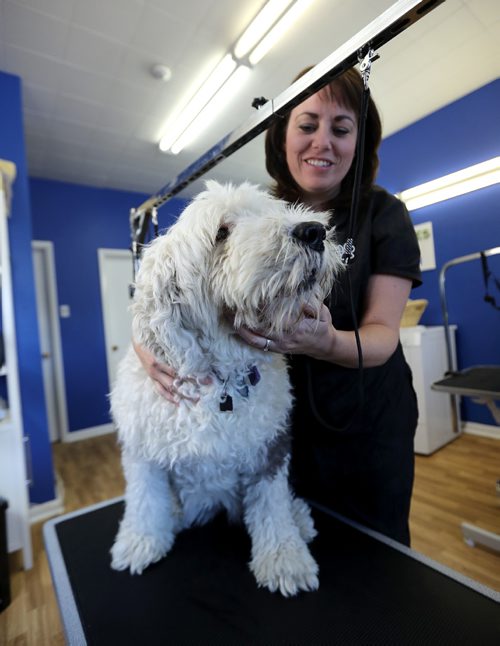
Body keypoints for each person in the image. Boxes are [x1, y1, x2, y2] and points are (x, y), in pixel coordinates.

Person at [133, 66, 422, 546]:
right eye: (307, 125)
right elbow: (183, 285)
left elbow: (382, 336)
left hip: (367, 421)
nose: (322, 142)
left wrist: (327, 341)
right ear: (282, 136)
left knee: (375, 557)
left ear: (360, 139)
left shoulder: (384, 215)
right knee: (286, 533)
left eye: (341, 128)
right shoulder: (256, 212)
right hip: (279, 419)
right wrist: (148, 345)